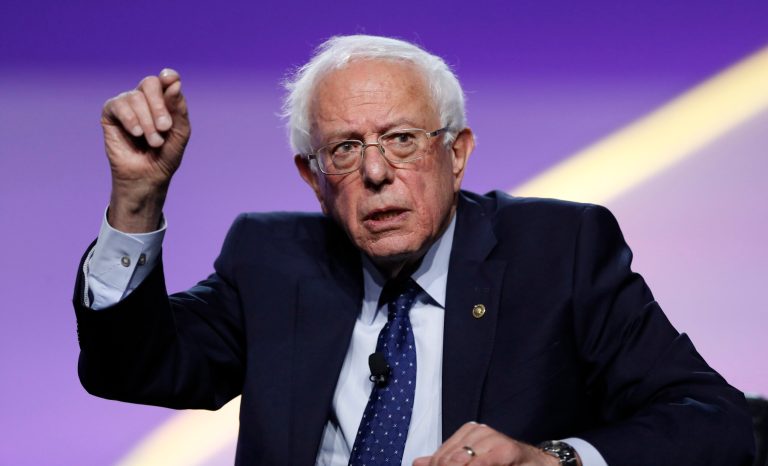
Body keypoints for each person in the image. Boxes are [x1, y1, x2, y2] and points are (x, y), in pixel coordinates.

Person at [73, 35, 754, 466]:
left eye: (401, 139)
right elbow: (131, 369)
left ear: (457, 154)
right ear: (312, 178)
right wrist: (137, 199)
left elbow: (713, 422)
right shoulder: (273, 259)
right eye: (344, 149)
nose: (375, 172)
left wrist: (552, 461)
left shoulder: (560, 252)